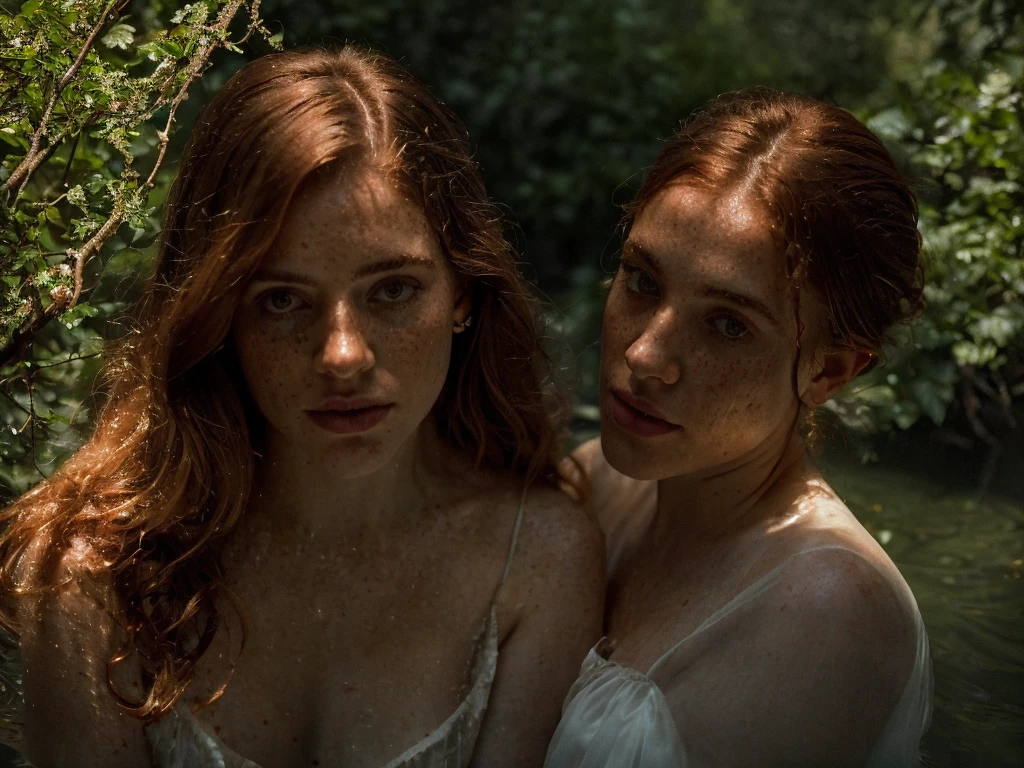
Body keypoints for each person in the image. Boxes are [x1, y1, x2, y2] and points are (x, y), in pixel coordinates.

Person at [0, 47, 604, 768]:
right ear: (221, 316)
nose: (343, 355)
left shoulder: (536, 560)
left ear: (463, 294)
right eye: (281, 300)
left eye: (392, 290)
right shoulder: (100, 575)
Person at [546, 88, 933, 767]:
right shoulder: (598, 483)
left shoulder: (828, 609)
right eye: (641, 280)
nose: (644, 356)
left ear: (829, 371)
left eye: (728, 325)